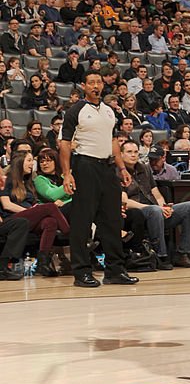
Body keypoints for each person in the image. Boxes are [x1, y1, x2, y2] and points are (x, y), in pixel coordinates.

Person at [59, 72, 138, 289]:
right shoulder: (75, 111)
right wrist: (67, 174)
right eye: (91, 82)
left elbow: (113, 140)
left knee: (112, 219)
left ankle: (115, 270)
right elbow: (65, 143)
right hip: (85, 166)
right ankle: (81, 272)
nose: (95, 86)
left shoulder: (109, 111)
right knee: (82, 221)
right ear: (84, 86)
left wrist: (122, 167)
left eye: (98, 82)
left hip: (107, 167)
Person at [119, 140, 190, 269]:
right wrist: (155, 208)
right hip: (137, 211)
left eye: (135, 152)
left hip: (155, 210)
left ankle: (182, 253)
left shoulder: (144, 169)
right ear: (121, 154)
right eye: (129, 152)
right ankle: (160, 255)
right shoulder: (118, 172)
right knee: (155, 211)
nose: (133, 155)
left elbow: (156, 193)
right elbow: (124, 201)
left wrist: (165, 207)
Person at [0, 150, 69, 276]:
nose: (33, 164)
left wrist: (34, 209)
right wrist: (31, 211)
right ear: (19, 162)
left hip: (27, 219)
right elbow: (6, 204)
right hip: (11, 219)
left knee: (50, 222)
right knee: (50, 207)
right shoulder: (8, 180)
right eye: (29, 160)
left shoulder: (28, 183)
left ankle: (42, 263)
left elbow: (33, 204)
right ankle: (70, 234)